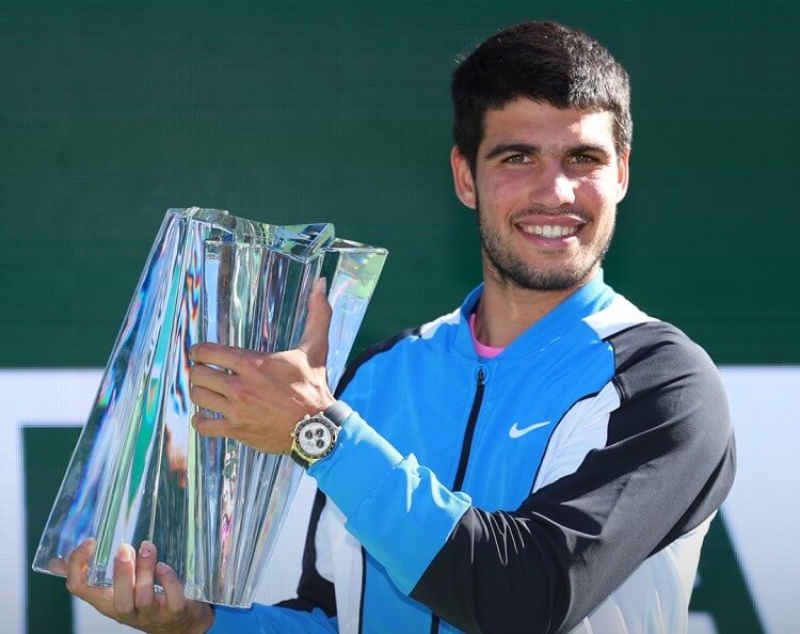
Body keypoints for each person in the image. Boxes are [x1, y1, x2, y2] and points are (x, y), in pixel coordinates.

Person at [65, 20, 736, 634]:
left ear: (620, 172)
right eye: (517, 158)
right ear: (465, 178)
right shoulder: (382, 376)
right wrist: (200, 623)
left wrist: (318, 433)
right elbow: (339, 620)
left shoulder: (662, 383)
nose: (554, 192)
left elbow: (526, 599)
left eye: (583, 160)